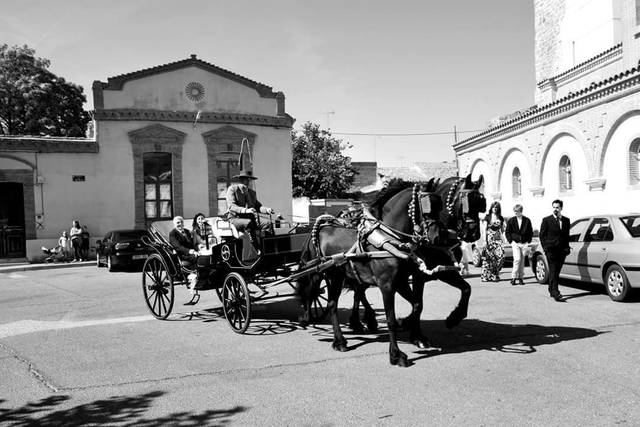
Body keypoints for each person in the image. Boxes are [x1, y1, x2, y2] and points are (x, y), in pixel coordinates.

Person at [226, 169, 275, 253]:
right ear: (240, 180)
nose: (247, 182)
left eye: (249, 180)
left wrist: (267, 209)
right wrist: (245, 210)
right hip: (235, 219)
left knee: (268, 223)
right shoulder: (232, 189)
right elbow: (231, 206)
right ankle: (256, 248)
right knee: (248, 222)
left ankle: (269, 247)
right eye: (245, 180)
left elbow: (258, 206)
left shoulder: (252, 193)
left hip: (251, 219)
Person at [539, 199, 571, 302]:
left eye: (557, 207)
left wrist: (567, 248)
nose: (555, 209)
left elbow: (566, 235)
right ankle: (556, 293)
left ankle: (551, 289)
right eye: (554, 207)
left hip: (562, 251)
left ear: (561, 208)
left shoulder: (566, 220)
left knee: (557, 271)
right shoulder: (546, 220)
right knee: (553, 270)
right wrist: (545, 248)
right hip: (551, 250)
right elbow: (542, 235)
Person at [505, 204, 533, 286]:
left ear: (521, 211)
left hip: (524, 243)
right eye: (514, 211)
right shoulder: (511, 220)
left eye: (517, 211)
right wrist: (511, 241)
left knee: (522, 261)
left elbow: (530, 231)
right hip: (515, 243)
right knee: (517, 259)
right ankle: (513, 277)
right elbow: (507, 232)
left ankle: (521, 278)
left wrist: (528, 241)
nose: (515, 212)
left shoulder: (527, 220)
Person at [480, 201, 505, 282]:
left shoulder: (500, 218)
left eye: (496, 207)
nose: (495, 209)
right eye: (494, 207)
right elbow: (484, 230)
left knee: (500, 257)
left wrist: (503, 238)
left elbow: (502, 230)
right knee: (489, 259)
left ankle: (494, 273)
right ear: (491, 208)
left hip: (498, 240)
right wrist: (484, 241)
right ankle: (488, 276)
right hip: (489, 239)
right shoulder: (488, 217)